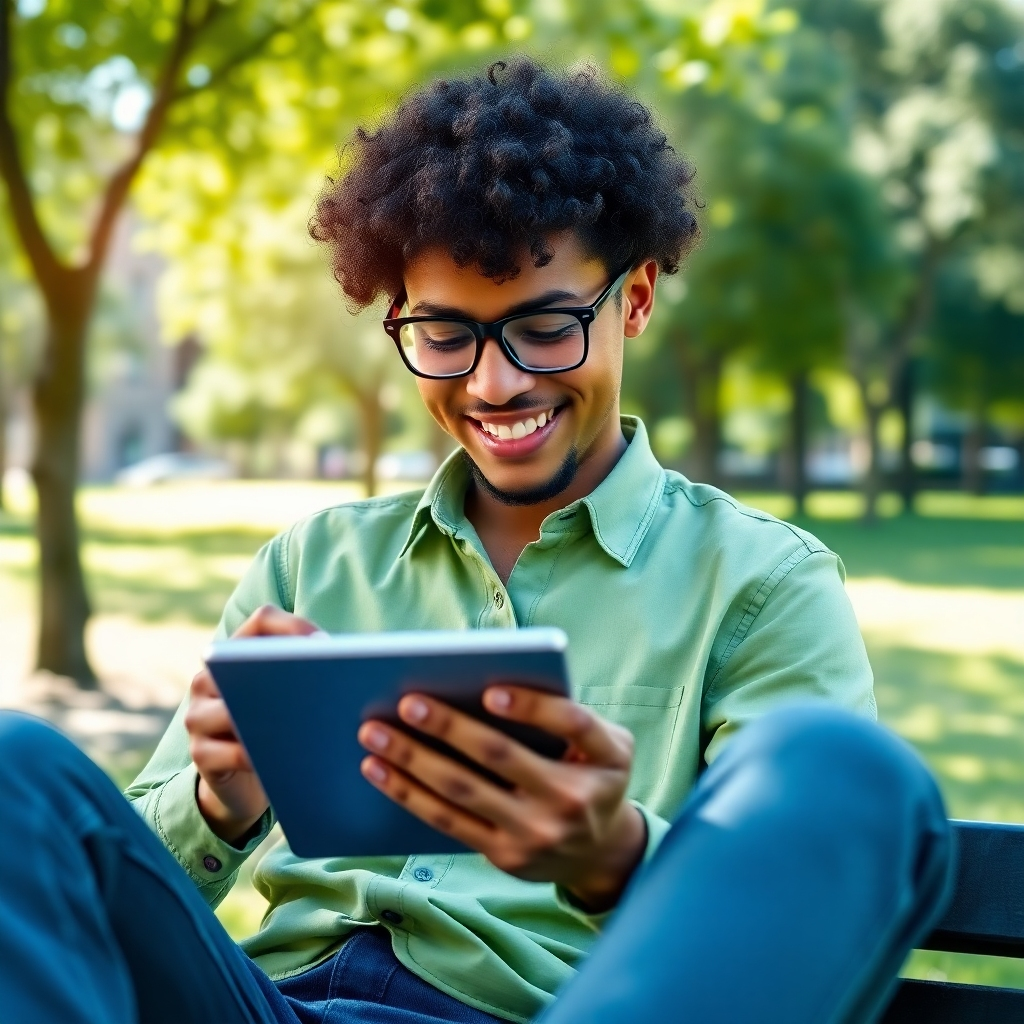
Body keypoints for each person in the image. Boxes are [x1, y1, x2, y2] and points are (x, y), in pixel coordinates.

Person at [0, 59, 953, 1024]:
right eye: (446, 336)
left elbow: (789, 920)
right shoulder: (308, 565)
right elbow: (109, 903)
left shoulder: (761, 584)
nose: (494, 386)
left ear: (634, 301)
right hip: (271, 1009)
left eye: (544, 326)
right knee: (13, 772)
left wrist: (610, 852)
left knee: (847, 770)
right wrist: (222, 801)